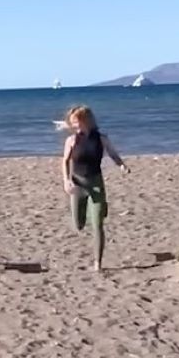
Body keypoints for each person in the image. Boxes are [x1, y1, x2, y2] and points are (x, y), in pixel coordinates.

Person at [61, 105, 129, 272]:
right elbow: (65, 161)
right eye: (72, 123)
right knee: (78, 224)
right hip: (78, 185)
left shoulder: (101, 138)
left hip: (96, 185)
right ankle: (93, 210)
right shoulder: (71, 140)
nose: (74, 126)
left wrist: (121, 165)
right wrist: (66, 180)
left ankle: (98, 263)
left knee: (97, 225)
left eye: (76, 122)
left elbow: (113, 154)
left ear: (86, 120)